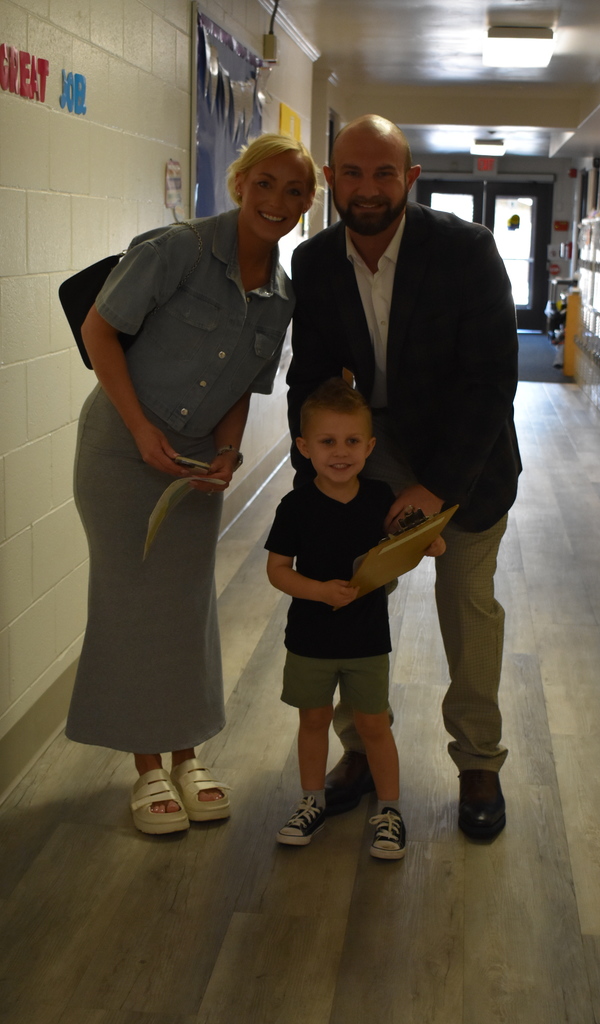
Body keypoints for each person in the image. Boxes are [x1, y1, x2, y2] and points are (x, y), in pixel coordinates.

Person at [66, 134, 318, 835]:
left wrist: (230, 454)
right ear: (239, 183)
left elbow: (238, 387)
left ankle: (188, 753)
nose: (277, 202)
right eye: (265, 183)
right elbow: (100, 332)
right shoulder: (175, 249)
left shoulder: (279, 298)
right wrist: (144, 432)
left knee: (184, 603)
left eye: (295, 192)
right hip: (121, 452)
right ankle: (147, 767)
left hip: (197, 464)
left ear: (306, 204)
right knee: (130, 604)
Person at [287, 115, 522, 840]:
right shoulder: (317, 261)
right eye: (351, 173)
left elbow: (491, 379)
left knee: (467, 605)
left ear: (409, 180)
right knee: (350, 593)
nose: (366, 188)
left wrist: (438, 487)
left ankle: (477, 760)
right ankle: (360, 752)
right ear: (331, 180)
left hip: (467, 454)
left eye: (383, 173)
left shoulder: (465, 250)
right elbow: (314, 374)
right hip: (369, 445)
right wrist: (317, 466)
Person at [265, 378, 444, 859]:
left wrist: (429, 541)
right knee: (313, 720)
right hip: (310, 639)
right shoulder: (295, 506)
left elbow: (408, 543)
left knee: (373, 726)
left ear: (370, 446)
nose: (340, 453)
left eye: (351, 442)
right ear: (304, 447)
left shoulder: (379, 498)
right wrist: (319, 591)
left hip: (367, 640)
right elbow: (277, 570)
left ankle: (389, 810)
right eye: (327, 442)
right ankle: (311, 802)